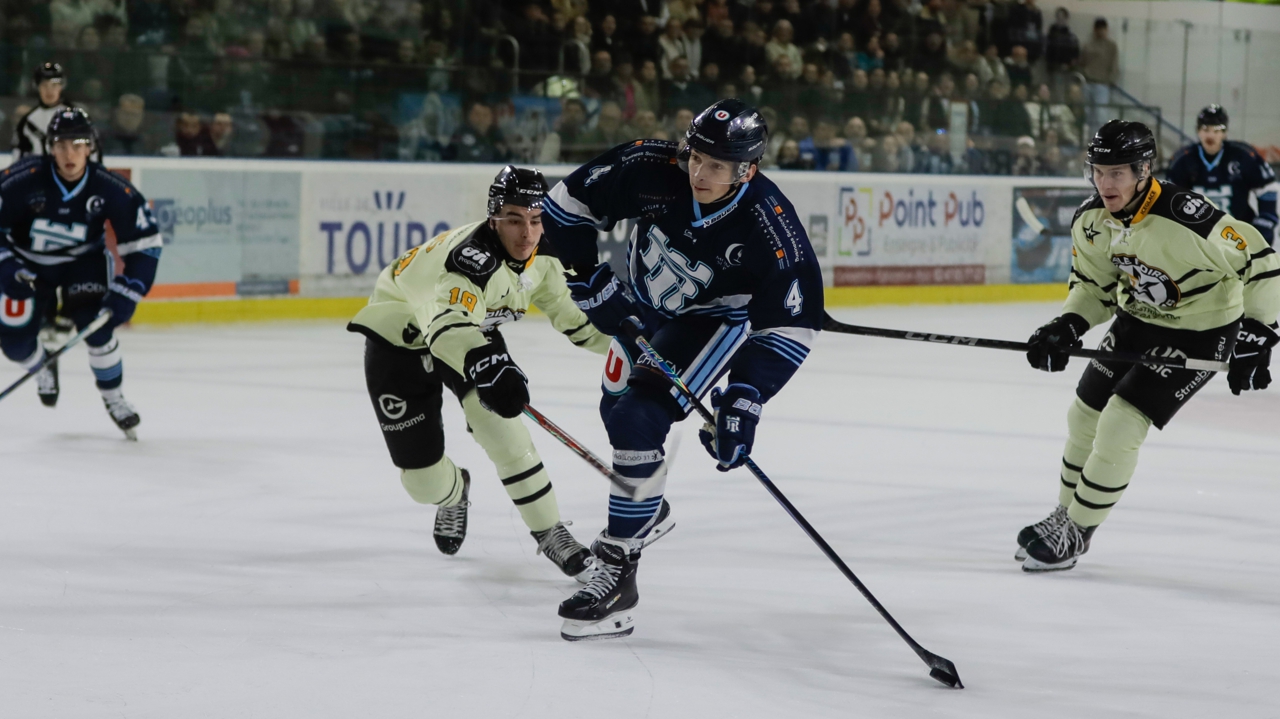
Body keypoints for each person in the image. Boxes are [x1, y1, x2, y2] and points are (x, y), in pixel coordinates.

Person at [541, 99, 824, 640]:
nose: (700, 172)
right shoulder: (652, 166)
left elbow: (790, 325)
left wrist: (745, 397)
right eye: (696, 157)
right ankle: (646, 507)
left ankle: (619, 573)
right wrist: (586, 276)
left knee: (638, 419)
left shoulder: (771, 224)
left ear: (748, 169)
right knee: (615, 412)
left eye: (718, 165)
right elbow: (564, 206)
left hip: (711, 319)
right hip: (645, 308)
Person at [1018, 121, 1280, 572]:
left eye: (1117, 173)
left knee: (1121, 422)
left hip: (1202, 331)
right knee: (1084, 414)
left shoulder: (1187, 217)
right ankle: (1064, 514)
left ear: (1144, 171)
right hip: (1138, 319)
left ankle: (1078, 530)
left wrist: (1258, 333)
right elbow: (1093, 287)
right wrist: (1068, 324)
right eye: (1098, 171)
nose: (1105, 183)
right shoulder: (1092, 221)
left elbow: (1260, 261)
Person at [346, 167, 610, 578]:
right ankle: (454, 492)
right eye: (514, 220)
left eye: (536, 220)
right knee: (422, 483)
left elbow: (578, 322)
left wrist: (636, 349)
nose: (527, 234)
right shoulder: (471, 261)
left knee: (504, 431)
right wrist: (487, 364)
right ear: (493, 219)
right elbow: (445, 325)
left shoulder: (543, 255)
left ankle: (551, 532)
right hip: (400, 338)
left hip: (469, 333)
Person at [0, 109, 162, 438]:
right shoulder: (20, 180)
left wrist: (129, 289)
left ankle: (115, 399)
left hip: (82, 264)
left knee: (98, 329)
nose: (69, 154)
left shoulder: (110, 187)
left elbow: (145, 243)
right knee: (15, 344)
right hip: (27, 265)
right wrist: (6, 265)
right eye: (61, 145)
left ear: (90, 147)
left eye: (77, 145)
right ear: (50, 147)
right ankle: (42, 366)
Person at [1166, 105, 1278, 244]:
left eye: (1217, 130)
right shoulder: (1182, 160)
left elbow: (1267, 188)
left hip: (1240, 235)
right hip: (1198, 237)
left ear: (1225, 133)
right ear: (1198, 131)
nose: (1211, 135)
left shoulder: (1242, 155)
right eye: (1206, 129)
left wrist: (1265, 221)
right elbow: (1170, 199)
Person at [13, 63, 74, 160]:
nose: (49, 91)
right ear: (37, 87)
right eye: (44, 85)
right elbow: (19, 157)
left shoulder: (75, 117)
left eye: (54, 85)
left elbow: (91, 151)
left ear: (61, 87)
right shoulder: (28, 121)